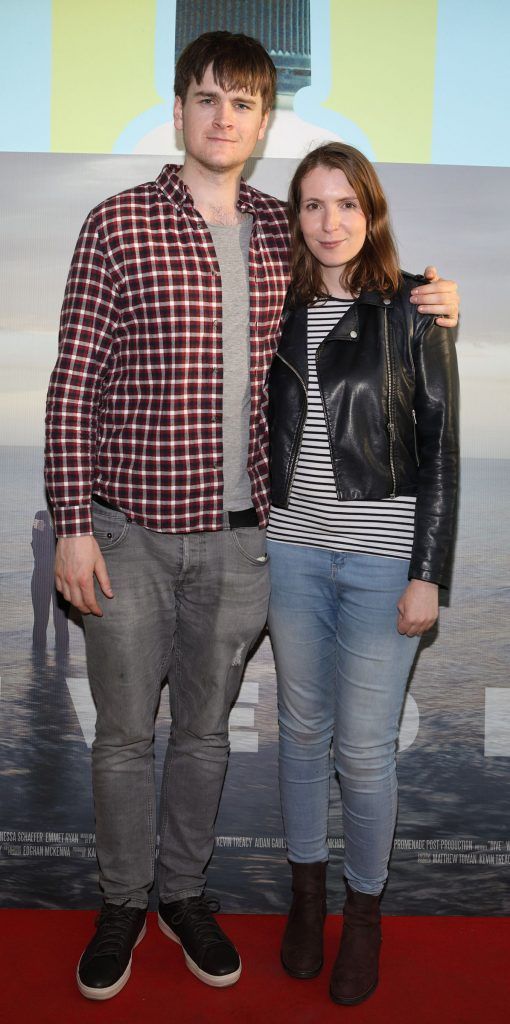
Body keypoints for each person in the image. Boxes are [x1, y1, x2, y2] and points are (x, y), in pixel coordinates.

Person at [44, 31, 459, 1001]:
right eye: (206, 98)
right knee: (121, 735)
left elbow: (368, 285)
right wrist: (69, 520)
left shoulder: (283, 231)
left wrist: (436, 295)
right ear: (180, 107)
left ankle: (184, 894)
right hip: (129, 532)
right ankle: (120, 902)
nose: (222, 117)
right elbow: (72, 383)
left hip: (244, 542)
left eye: (242, 103)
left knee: (199, 736)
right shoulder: (117, 224)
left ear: (263, 121)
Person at [266, 142, 459, 1006]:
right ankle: (307, 901)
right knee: (303, 738)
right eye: (311, 205)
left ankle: (365, 914)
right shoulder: (274, 306)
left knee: (365, 752)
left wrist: (429, 573)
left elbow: (443, 454)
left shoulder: (416, 308)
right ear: (296, 217)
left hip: (384, 566)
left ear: (370, 210)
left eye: (346, 204)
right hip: (295, 554)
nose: (330, 221)